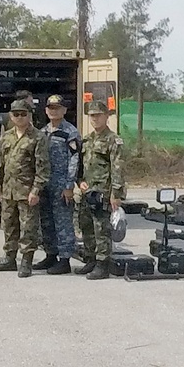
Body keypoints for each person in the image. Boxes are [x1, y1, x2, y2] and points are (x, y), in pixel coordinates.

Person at [0, 99, 50, 278]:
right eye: (16, 114)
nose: (20, 117)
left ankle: (26, 262)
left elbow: (43, 167)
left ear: (29, 115)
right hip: (8, 190)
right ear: (11, 116)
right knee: (8, 226)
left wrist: (36, 190)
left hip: (27, 191)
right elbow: (1, 162)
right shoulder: (7, 136)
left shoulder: (38, 137)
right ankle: (9, 259)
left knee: (28, 228)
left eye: (23, 114)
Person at [74, 101, 126, 280]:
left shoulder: (113, 140)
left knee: (101, 229)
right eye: (92, 116)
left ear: (106, 116)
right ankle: (90, 259)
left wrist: (116, 194)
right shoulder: (87, 140)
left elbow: (117, 168)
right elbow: (81, 166)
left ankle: (103, 264)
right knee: (86, 225)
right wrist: (79, 182)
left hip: (103, 192)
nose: (95, 119)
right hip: (87, 192)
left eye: (98, 115)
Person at [34, 94, 81, 275]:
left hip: (61, 184)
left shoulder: (70, 132)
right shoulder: (42, 132)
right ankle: (50, 255)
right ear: (46, 110)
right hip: (45, 184)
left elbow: (74, 160)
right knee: (46, 221)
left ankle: (65, 259)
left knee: (63, 222)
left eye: (57, 108)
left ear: (64, 110)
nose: (54, 111)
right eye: (50, 108)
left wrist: (69, 185)